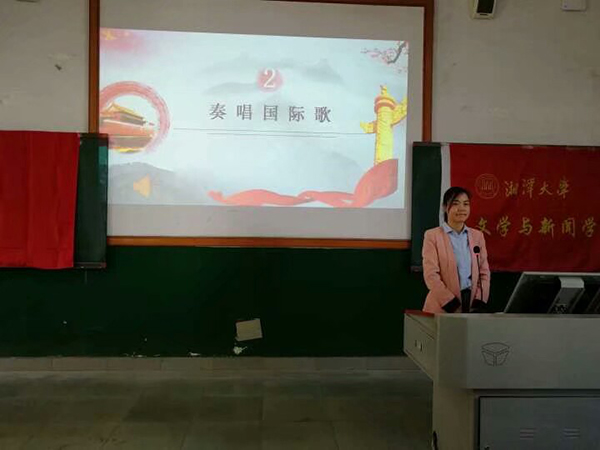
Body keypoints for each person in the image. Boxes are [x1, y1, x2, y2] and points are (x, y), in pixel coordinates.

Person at [422, 186, 491, 313]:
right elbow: (431, 275)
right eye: (455, 203)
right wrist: (448, 301)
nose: (462, 208)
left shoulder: (477, 236)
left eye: (466, 204)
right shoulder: (432, 236)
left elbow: (484, 272)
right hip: (442, 307)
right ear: (445, 207)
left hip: (471, 307)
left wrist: (480, 299)